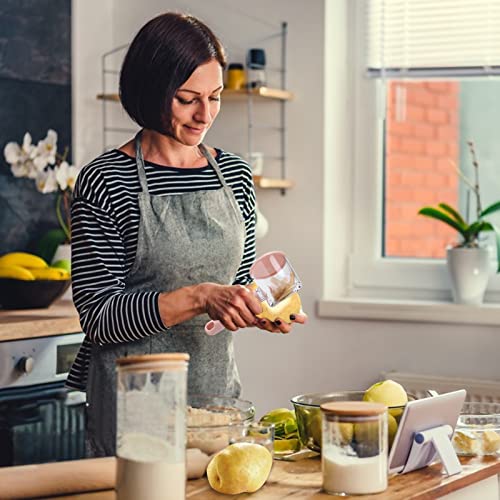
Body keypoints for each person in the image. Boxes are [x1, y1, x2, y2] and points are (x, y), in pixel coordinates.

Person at [66, 12, 306, 457]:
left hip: (216, 402)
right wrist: (200, 296)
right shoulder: (105, 181)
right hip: (131, 405)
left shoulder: (234, 175)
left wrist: (257, 309)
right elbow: (99, 318)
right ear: (151, 91)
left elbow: (234, 288)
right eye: (187, 98)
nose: (205, 114)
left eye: (214, 97)